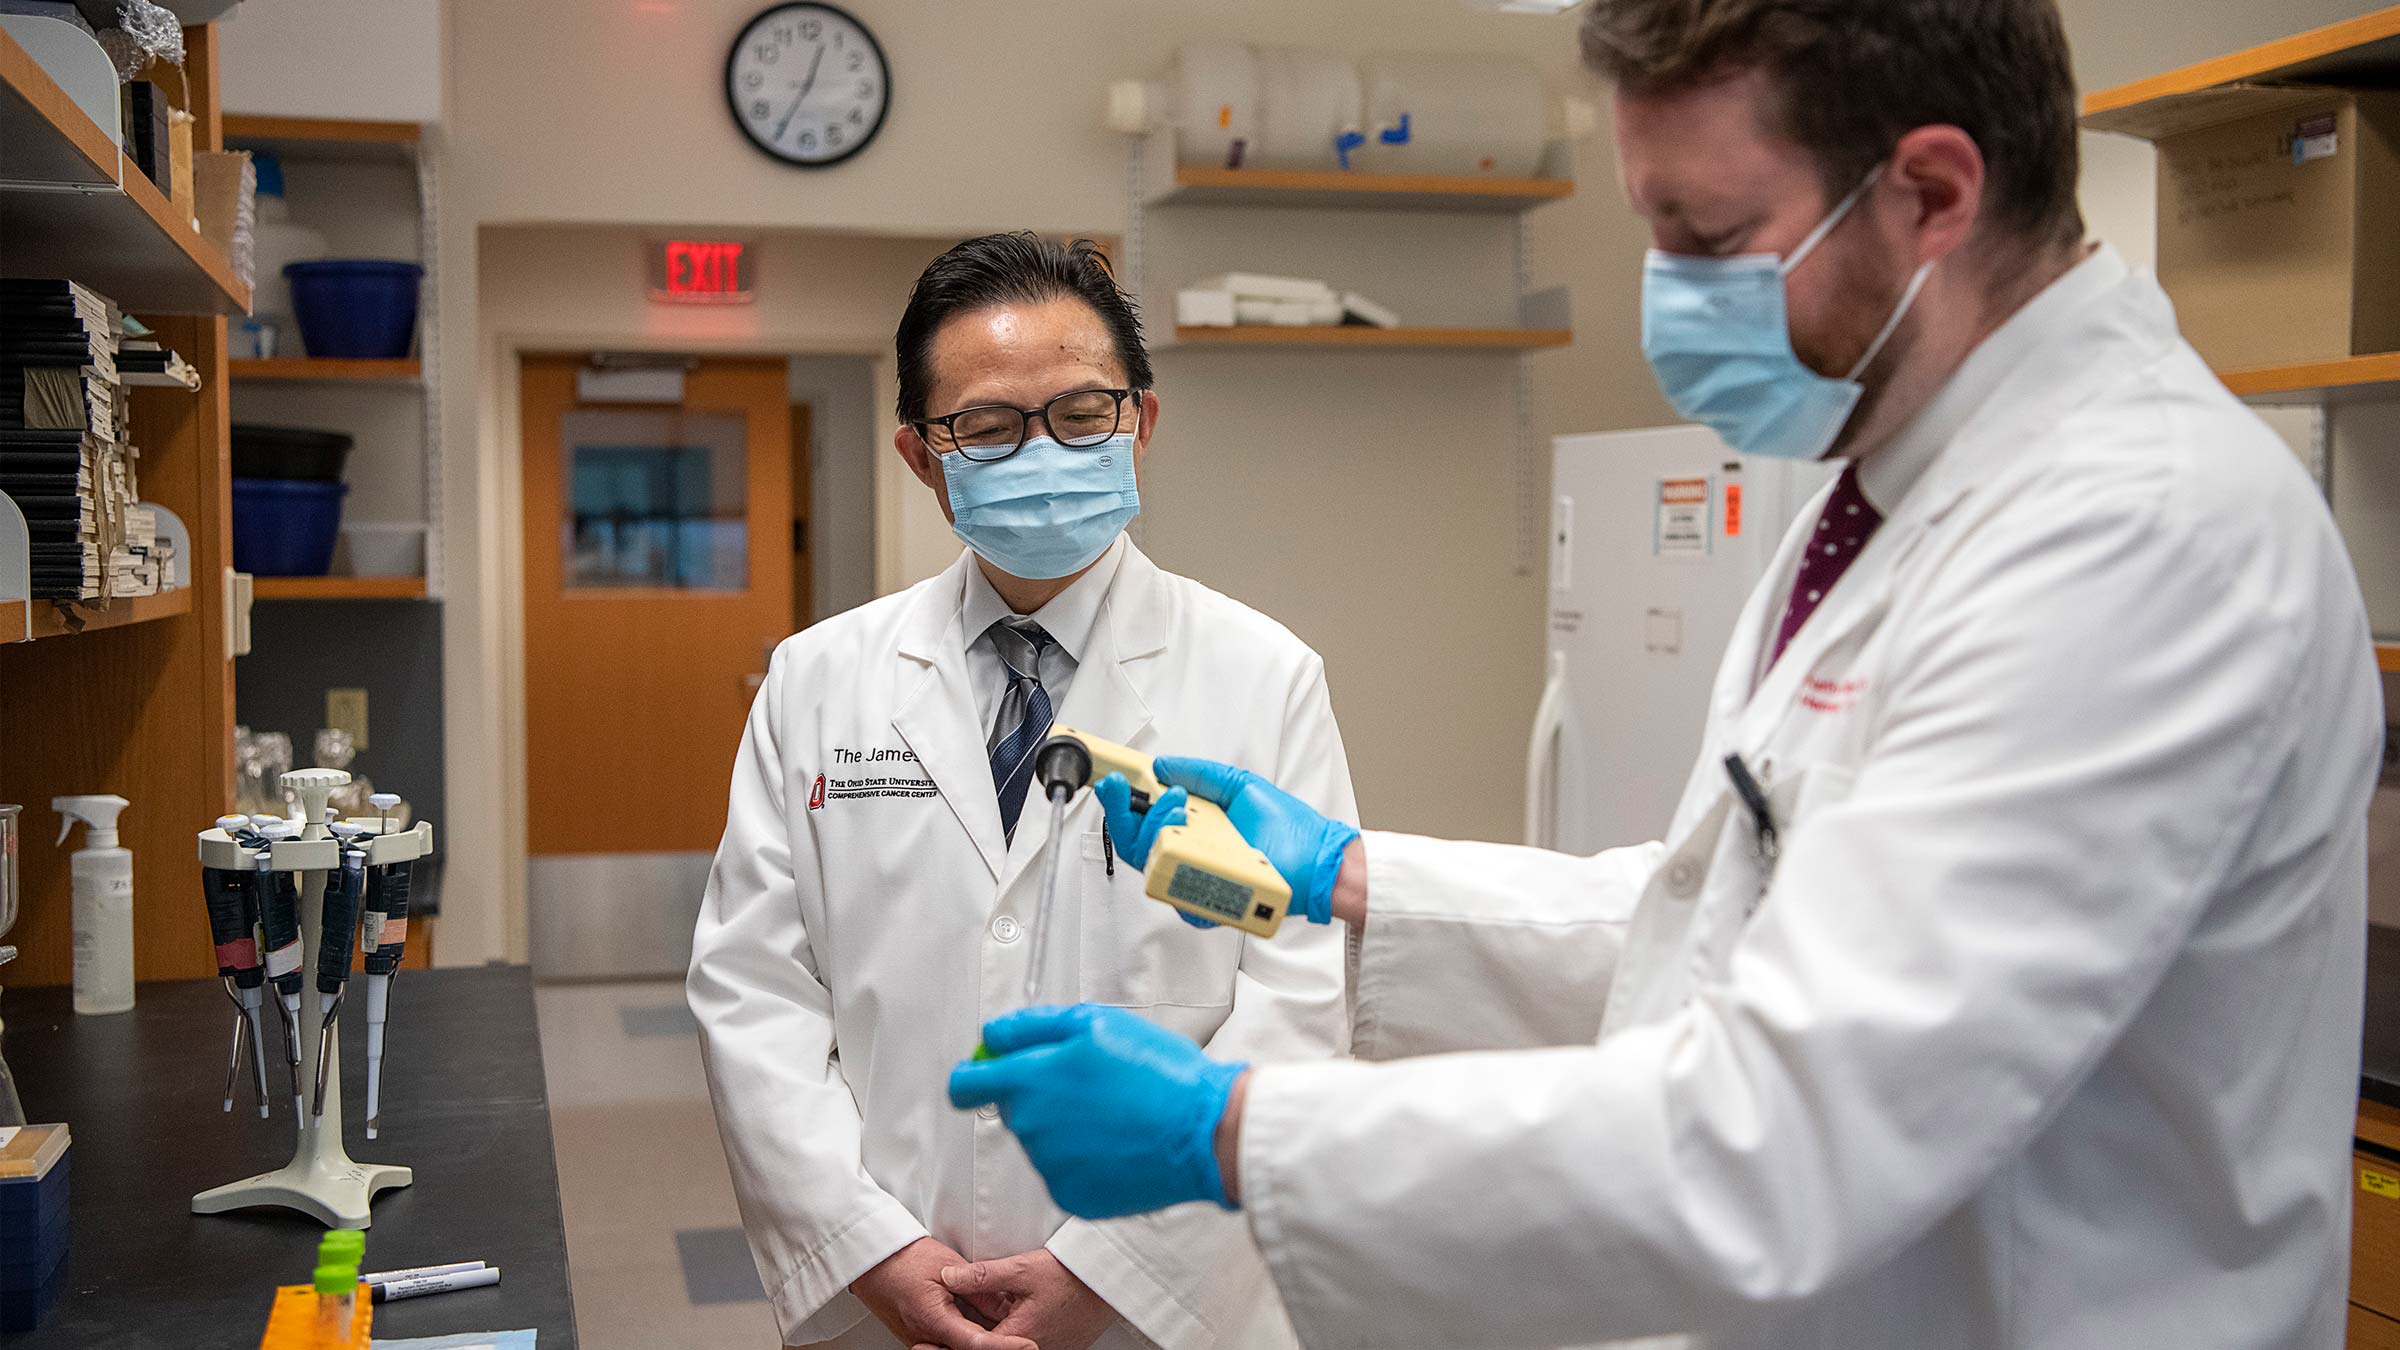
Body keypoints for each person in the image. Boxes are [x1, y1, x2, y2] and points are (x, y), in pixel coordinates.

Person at [948, 4, 2382, 1348]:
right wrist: (1353, 875)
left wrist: (1237, 1131)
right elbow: (1738, 919)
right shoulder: (1896, 483)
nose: (1669, 296)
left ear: (1935, 193)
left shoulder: (2128, 539)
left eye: (1706, 233)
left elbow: (1792, 1127)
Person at [690, 234, 1355, 1350]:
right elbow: (755, 990)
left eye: (1082, 413)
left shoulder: (1261, 675)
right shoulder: (819, 681)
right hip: (892, 1290)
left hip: (1160, 1300)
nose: (1042, 448)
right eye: (990, 427)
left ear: (1140, 423)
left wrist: (1115, 1270)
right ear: (921, 457)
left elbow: (1300, 1002)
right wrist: (871, 1249)